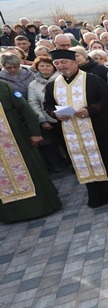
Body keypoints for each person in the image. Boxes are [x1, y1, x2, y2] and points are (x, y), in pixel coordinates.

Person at [44, 49, 108, 208]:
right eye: (57, 63)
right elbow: (47, 104)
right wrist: (54, 114)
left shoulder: (92, 79)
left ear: (75, 62)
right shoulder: (52, 85)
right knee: (86, 163)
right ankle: (98, 197)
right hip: (73, 132)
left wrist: (91, 110)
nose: (60, 66)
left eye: (64, 62)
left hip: (99, 128)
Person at [0, 79, 62, 222]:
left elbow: (24, 108)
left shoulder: (3, 86)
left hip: (15, 137)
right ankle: (10, 214)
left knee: (29, 168)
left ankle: (42, 205)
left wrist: (35, 132)